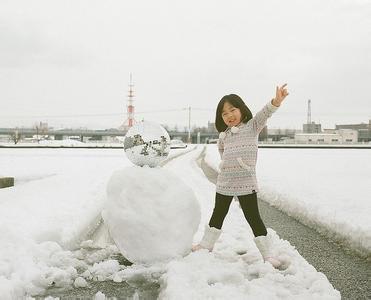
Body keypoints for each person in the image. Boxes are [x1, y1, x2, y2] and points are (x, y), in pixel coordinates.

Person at [192, 84, 289, 268]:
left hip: (246, 182)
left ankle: (268, 255)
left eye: (232, 110)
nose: (229, 115)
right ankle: (206, 245)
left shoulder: (252, 126)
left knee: (253, 217)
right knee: (218, 214)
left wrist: (276, 101)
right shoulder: (224, 136)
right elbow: (223, 153)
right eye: (224, 113)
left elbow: (265, 112)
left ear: (242, 110)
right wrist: (227, 166)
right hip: (225, 182)